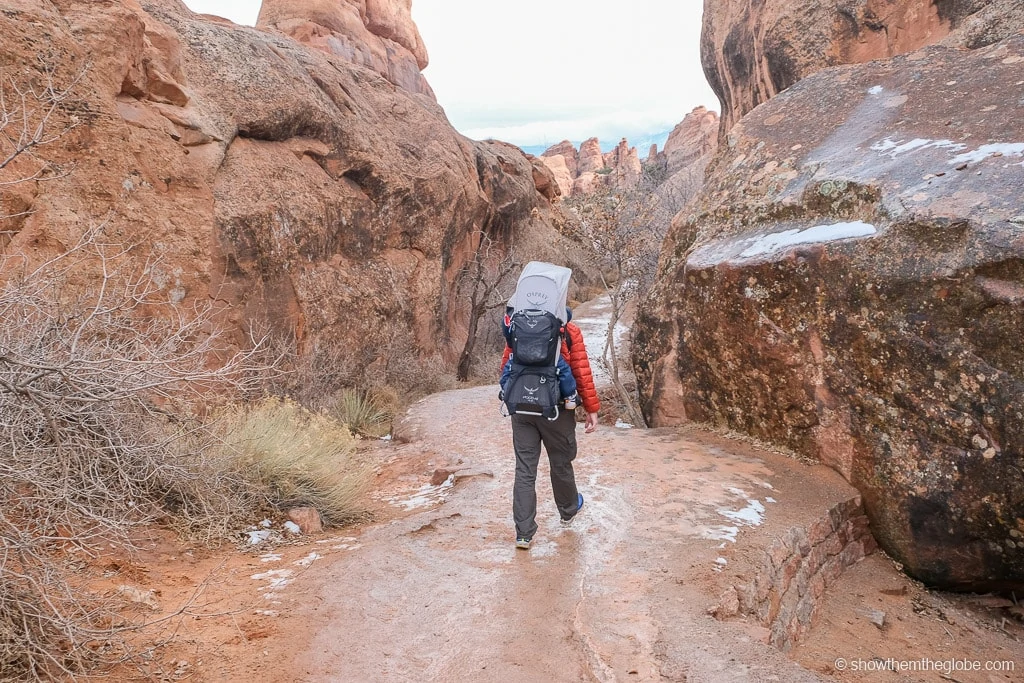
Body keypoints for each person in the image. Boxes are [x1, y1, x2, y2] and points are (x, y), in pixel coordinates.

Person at [499, 306, 599, 549]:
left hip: (522, 407)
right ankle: (568, 510)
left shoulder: (518, 326)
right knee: (560, 460)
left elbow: (506, 366)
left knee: (524, 469)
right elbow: (580, 370)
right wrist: (590, 407)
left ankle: (523, 534)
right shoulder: (568, 329)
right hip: (557, 409)